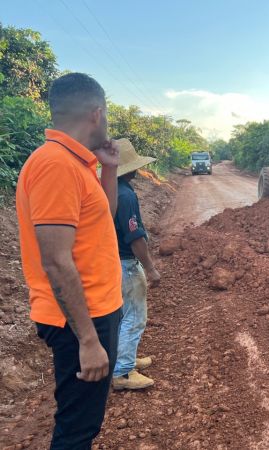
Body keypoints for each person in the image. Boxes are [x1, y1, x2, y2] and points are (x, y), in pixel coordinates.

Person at [16, 73, 123, 449]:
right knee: (76, 431)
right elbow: (56, 261)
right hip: (79, 320)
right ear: (96, 114)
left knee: (84, 423)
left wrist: (109, 168)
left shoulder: (79, 165)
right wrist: (89, 340)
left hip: (95, 311)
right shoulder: (55, 165)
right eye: (107, 115)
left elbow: (102, 220)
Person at [111, 140, 161, 390]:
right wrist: (150, 268)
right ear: (129, 168)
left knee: (122, 315)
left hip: (111, 261)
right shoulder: (126, 195)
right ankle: (123, 373)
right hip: (126, 263)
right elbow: (135, 237)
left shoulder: (110, 189)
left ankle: (124, 359)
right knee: (135, 316)